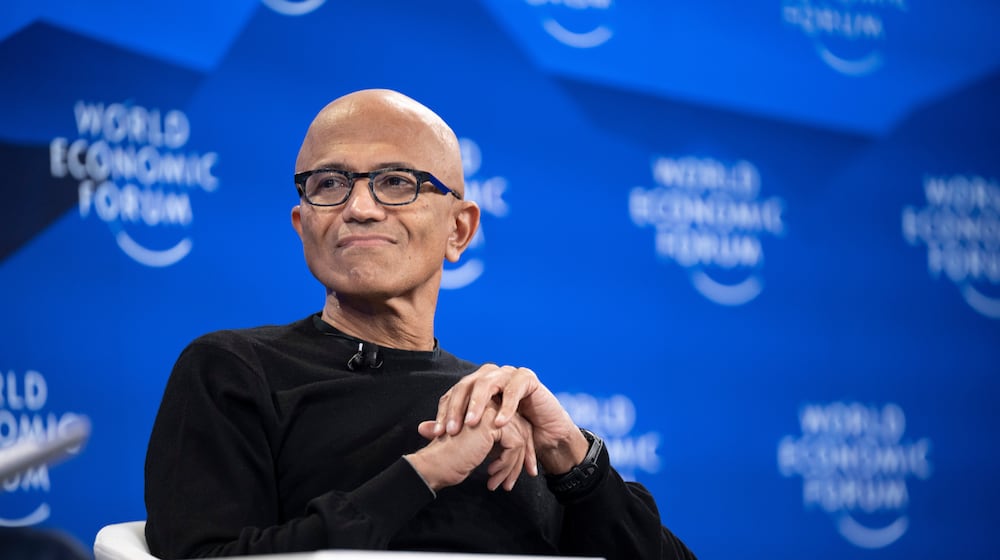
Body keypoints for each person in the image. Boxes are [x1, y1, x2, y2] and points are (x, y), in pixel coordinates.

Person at [144, 89, 697, 560]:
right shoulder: (236, 370)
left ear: (460, 230)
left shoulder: (497, 407)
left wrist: (570, 458)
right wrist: (424, 474)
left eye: (396, 182)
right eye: (330, 184)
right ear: (303, 223)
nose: (358, 207)